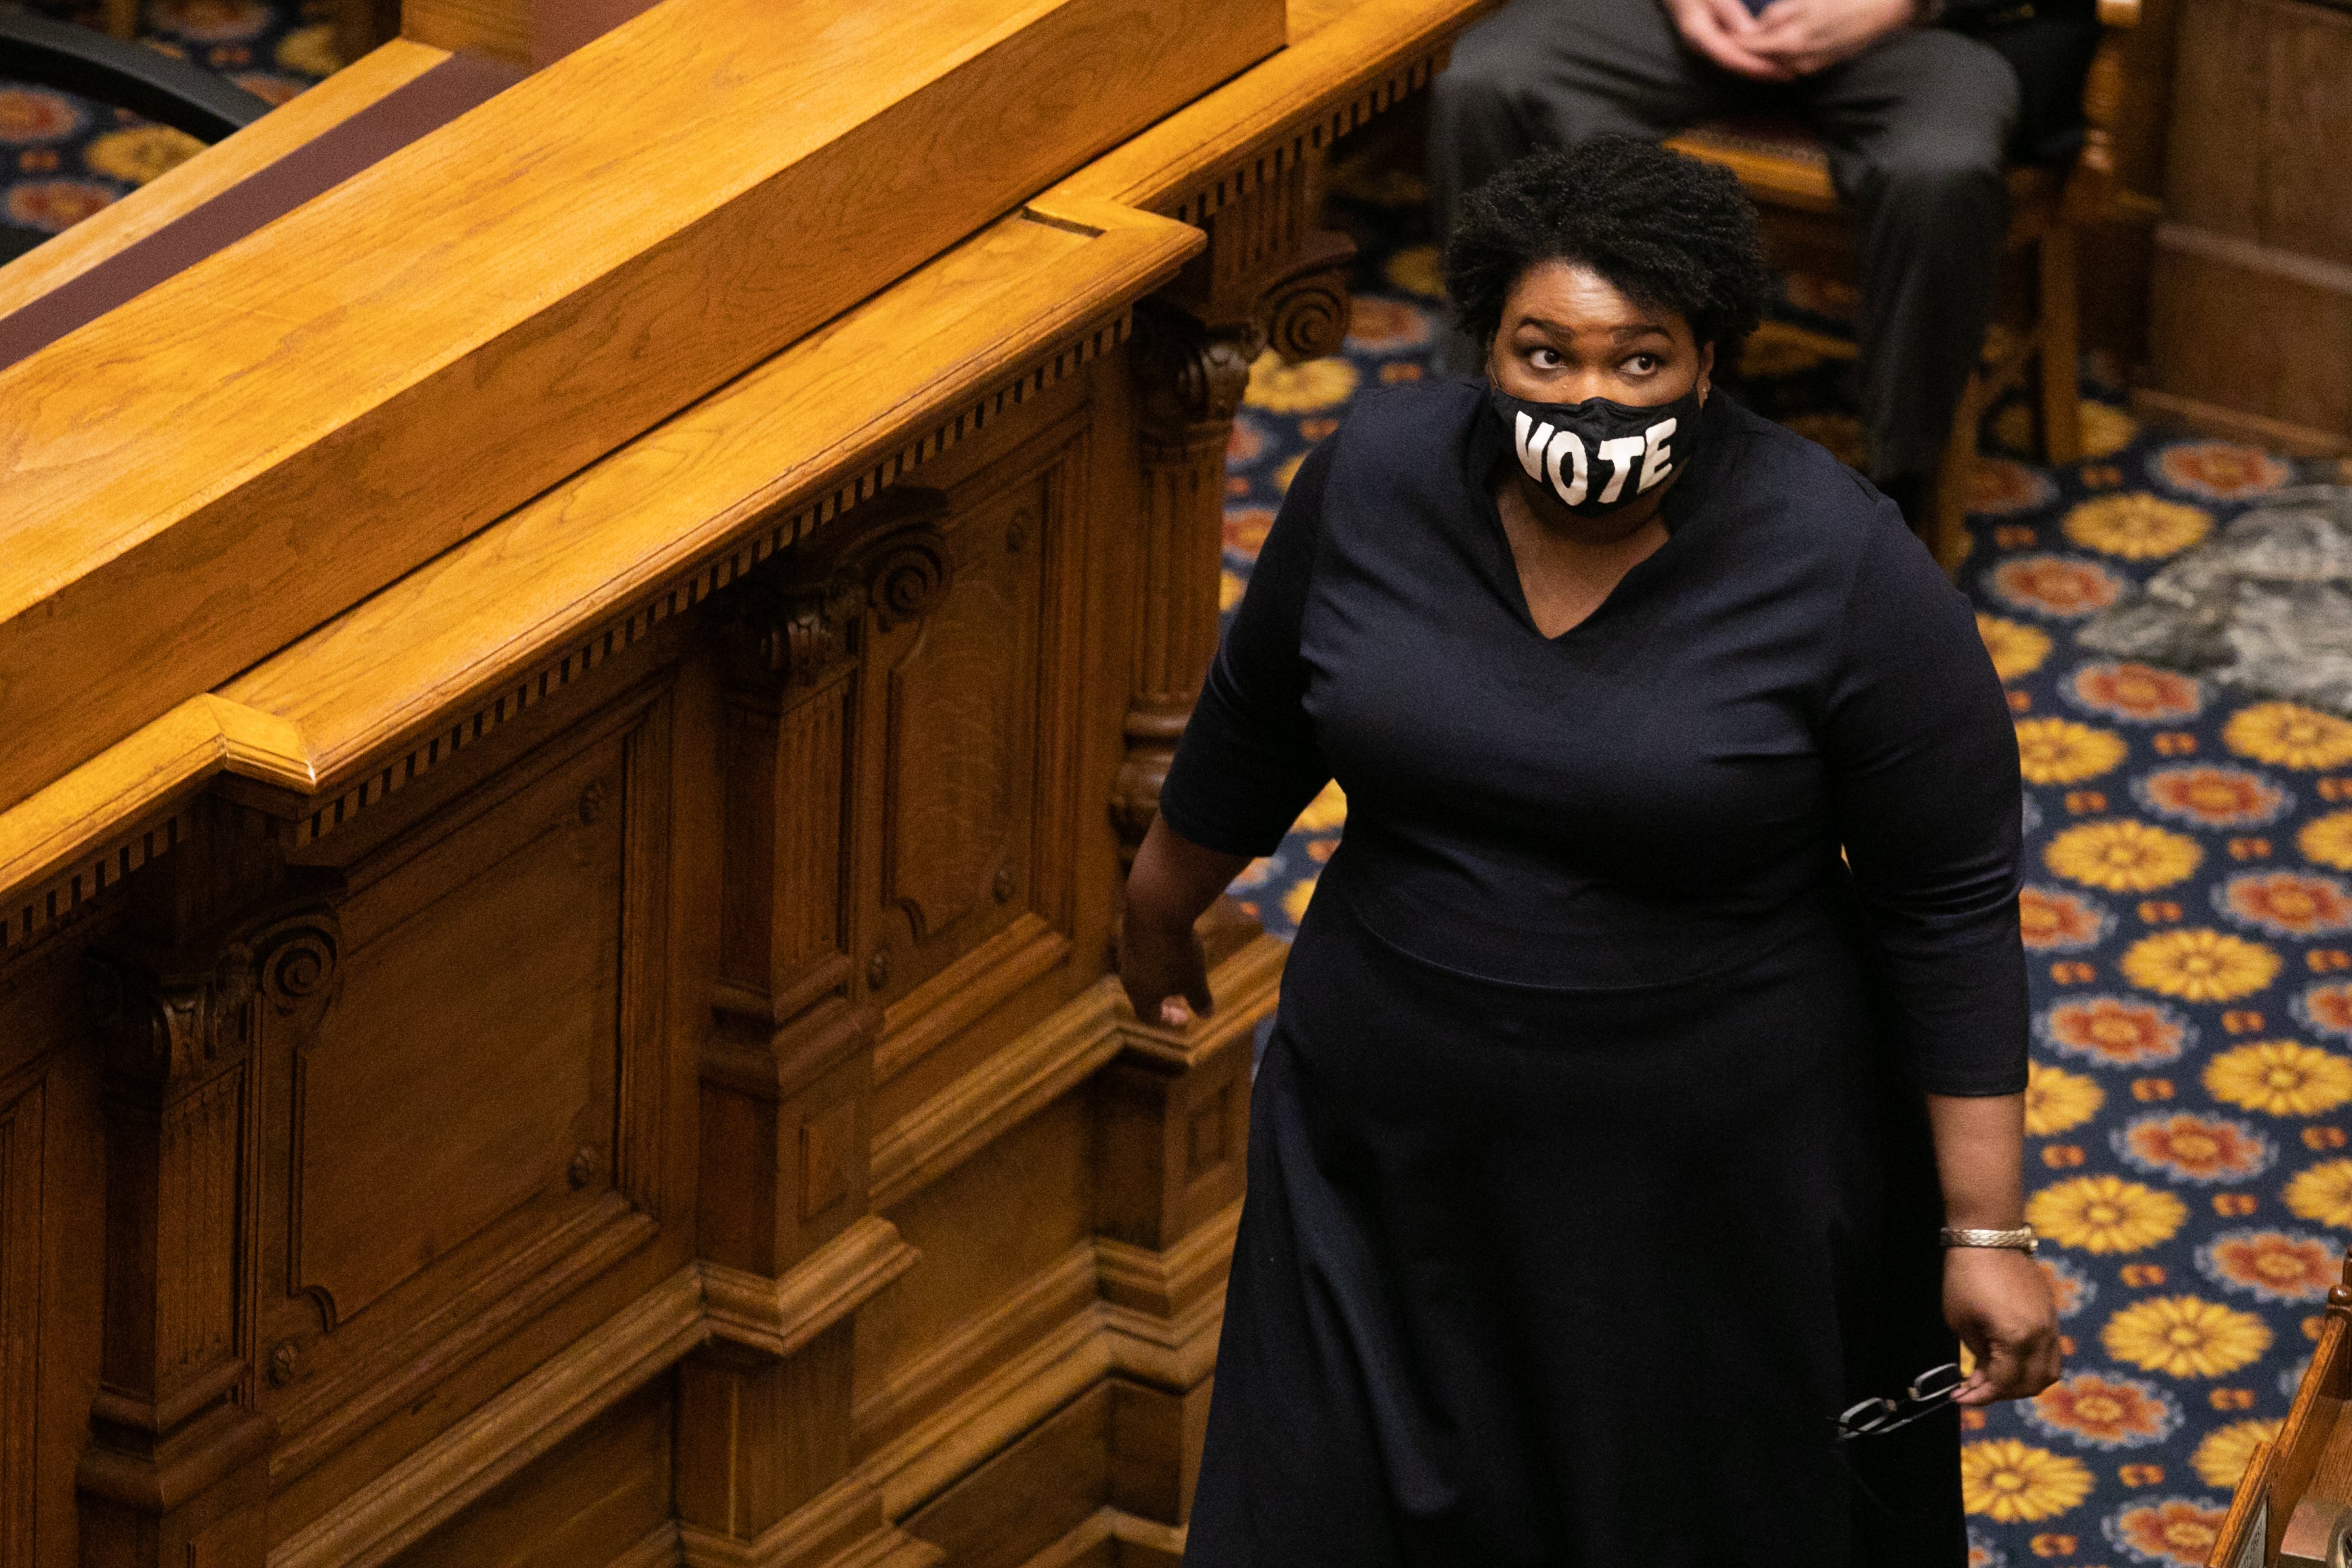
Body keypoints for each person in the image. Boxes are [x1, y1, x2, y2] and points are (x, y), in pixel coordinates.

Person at [1120, 138, 2059, 1567]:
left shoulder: (1843, 564)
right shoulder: (1374, 474)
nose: (1589, 400)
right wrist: (1161, 899)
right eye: (1544, 356)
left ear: (1707, 364)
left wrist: (1984, 1232)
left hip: (1698, 1193)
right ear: (1487, 346)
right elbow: (1261, 713)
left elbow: (1947, 907)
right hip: (1382, 1155)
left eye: (1639, 364)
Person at [1425, 0, 2100, 528]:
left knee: (1940, 174)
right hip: (1685, 25)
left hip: (1927, 34)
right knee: (1485, 82)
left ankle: (1900, 494)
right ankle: (1486, 434)